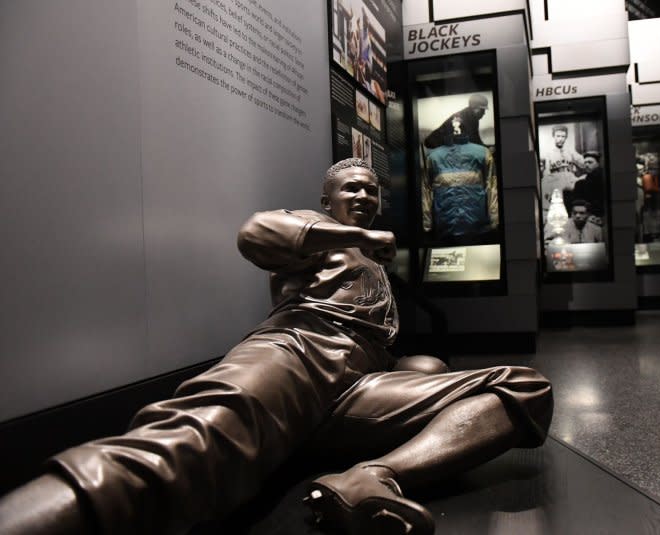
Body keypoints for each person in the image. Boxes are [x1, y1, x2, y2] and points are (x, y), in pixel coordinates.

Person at [0, 158, 553, 535]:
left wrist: (412, 365)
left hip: (359, 385)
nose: (362, 195)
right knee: (190, 443)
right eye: (350, 188)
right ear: (325, 199)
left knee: (525, 387)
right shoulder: (312, 227)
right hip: (298, 351)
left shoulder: (376, 263)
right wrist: (356, 236)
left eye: (370, 189)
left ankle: (374, 477)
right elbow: (254, 234)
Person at [540, 125, 585, 213]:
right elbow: (546, 172)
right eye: (558, 136)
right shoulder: (548, 153)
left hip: (570, 178)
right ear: (554, 136)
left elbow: (583, 163)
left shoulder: (570, 151)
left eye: (563, 136)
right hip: (555, 178)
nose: (560, 139)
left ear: (566, 137)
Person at [423, 94, 489, 149]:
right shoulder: (462, 118)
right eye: (482, 110)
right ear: (474, 108)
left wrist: (486, 148)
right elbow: (472, 142)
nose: (484, 113)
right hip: (439, 150)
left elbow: (476, 140)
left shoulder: (471, 118)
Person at [570, 151, 605, 219]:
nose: (587, 165)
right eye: (585, 162)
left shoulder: (600, 177)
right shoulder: (587, 178)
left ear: (598, 164)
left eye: (590, 162)